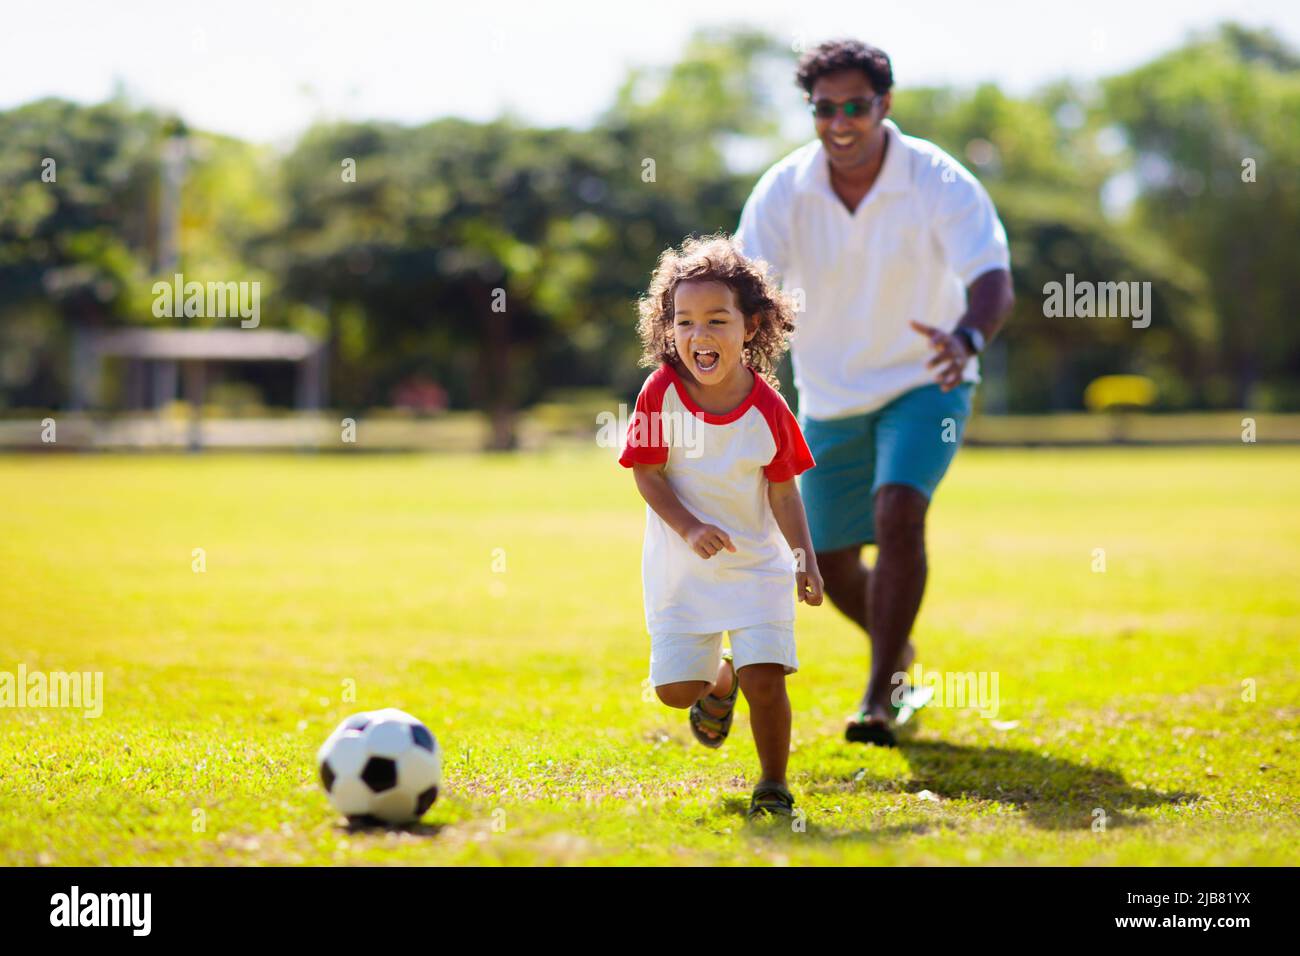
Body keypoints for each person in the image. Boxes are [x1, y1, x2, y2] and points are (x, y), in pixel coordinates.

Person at [735, 39, 1015, 746]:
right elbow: (744, 289)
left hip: (928, 379)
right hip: (829, 395)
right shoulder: (784, 188)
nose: (839, 121)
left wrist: (968, 339)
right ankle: (903, 655)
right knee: (825, 562)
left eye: (855, 105)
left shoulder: (937, 179)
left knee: (897, 511)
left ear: (884, 104)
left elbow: (991, 279)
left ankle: (881, 695)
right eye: (824, 108)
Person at [619, 234, 824, 820]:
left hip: (757, 564)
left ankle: (773, 785)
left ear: (752, 327)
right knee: (675, 693)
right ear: (668, 330)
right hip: (684, 568)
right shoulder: (660, 393)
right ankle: (717, 682)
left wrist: (804, 559)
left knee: (769, 679)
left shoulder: (769, 409)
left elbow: (784, 491)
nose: (699, 336)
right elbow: (648, 475)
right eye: (684, 322)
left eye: (716, 320)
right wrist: (688, 528)